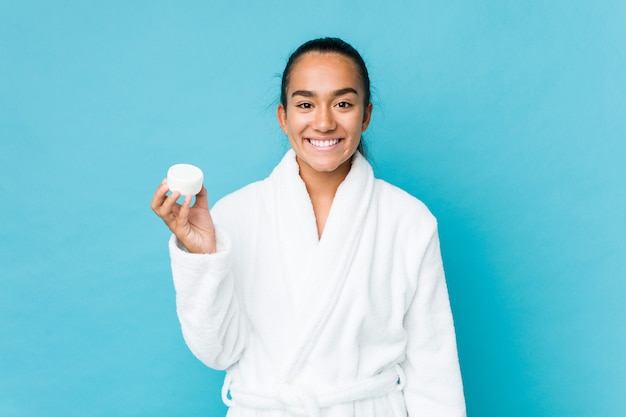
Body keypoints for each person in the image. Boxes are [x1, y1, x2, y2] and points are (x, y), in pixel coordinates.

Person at [151, 37, 466, 417]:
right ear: (284, 117)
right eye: (305, 104)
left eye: (343, 104)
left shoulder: (408, 220)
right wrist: (203, 258)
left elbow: (434, 372)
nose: (323, 121)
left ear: (365, 116)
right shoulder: (235, 214)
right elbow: (218, 352)